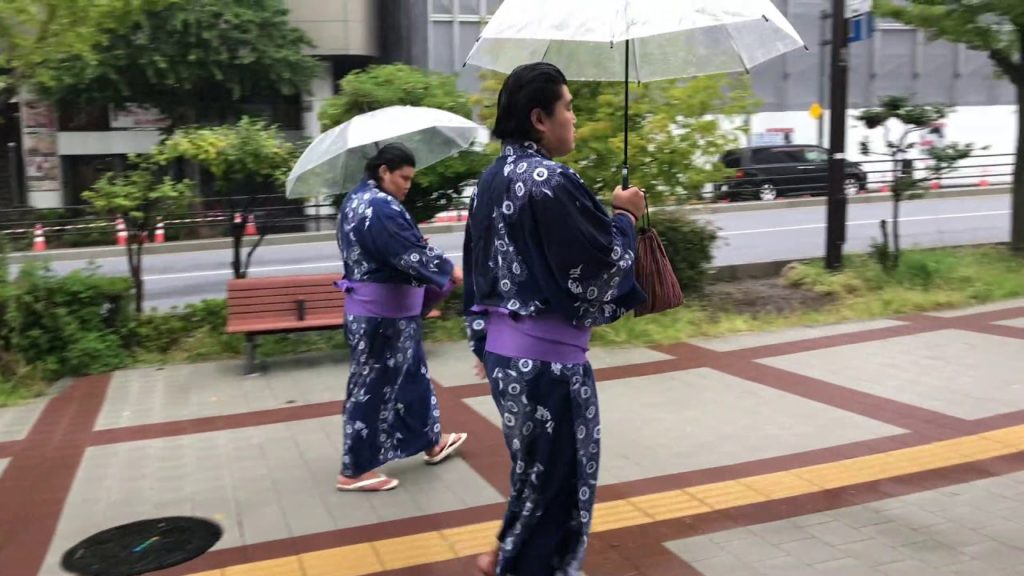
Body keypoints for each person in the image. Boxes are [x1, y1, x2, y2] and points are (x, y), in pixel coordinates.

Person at [463, 63, 647, 575]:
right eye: (568, 107)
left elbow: (479, 272)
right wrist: (625, 216)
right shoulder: (549, 180)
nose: (574, 118)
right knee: (560, 485)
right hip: (550, 367)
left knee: (535, 471)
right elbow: (602, 264)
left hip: (506, 356)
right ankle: (522, 565)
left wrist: (484, 343)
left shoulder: (490, 180)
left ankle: (504, 550)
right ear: (540, 118)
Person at [335, 143, 468, 492]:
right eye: (403, 177)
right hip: (383, 317)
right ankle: (354, 470)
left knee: (412, 378)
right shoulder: (379, 207)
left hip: (385, 312)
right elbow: (409, 252)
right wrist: (448, 269)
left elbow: (396, 248)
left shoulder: (356, 201)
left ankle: (431, 441)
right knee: (373, 388)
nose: (408, 184)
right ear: (384, 172)